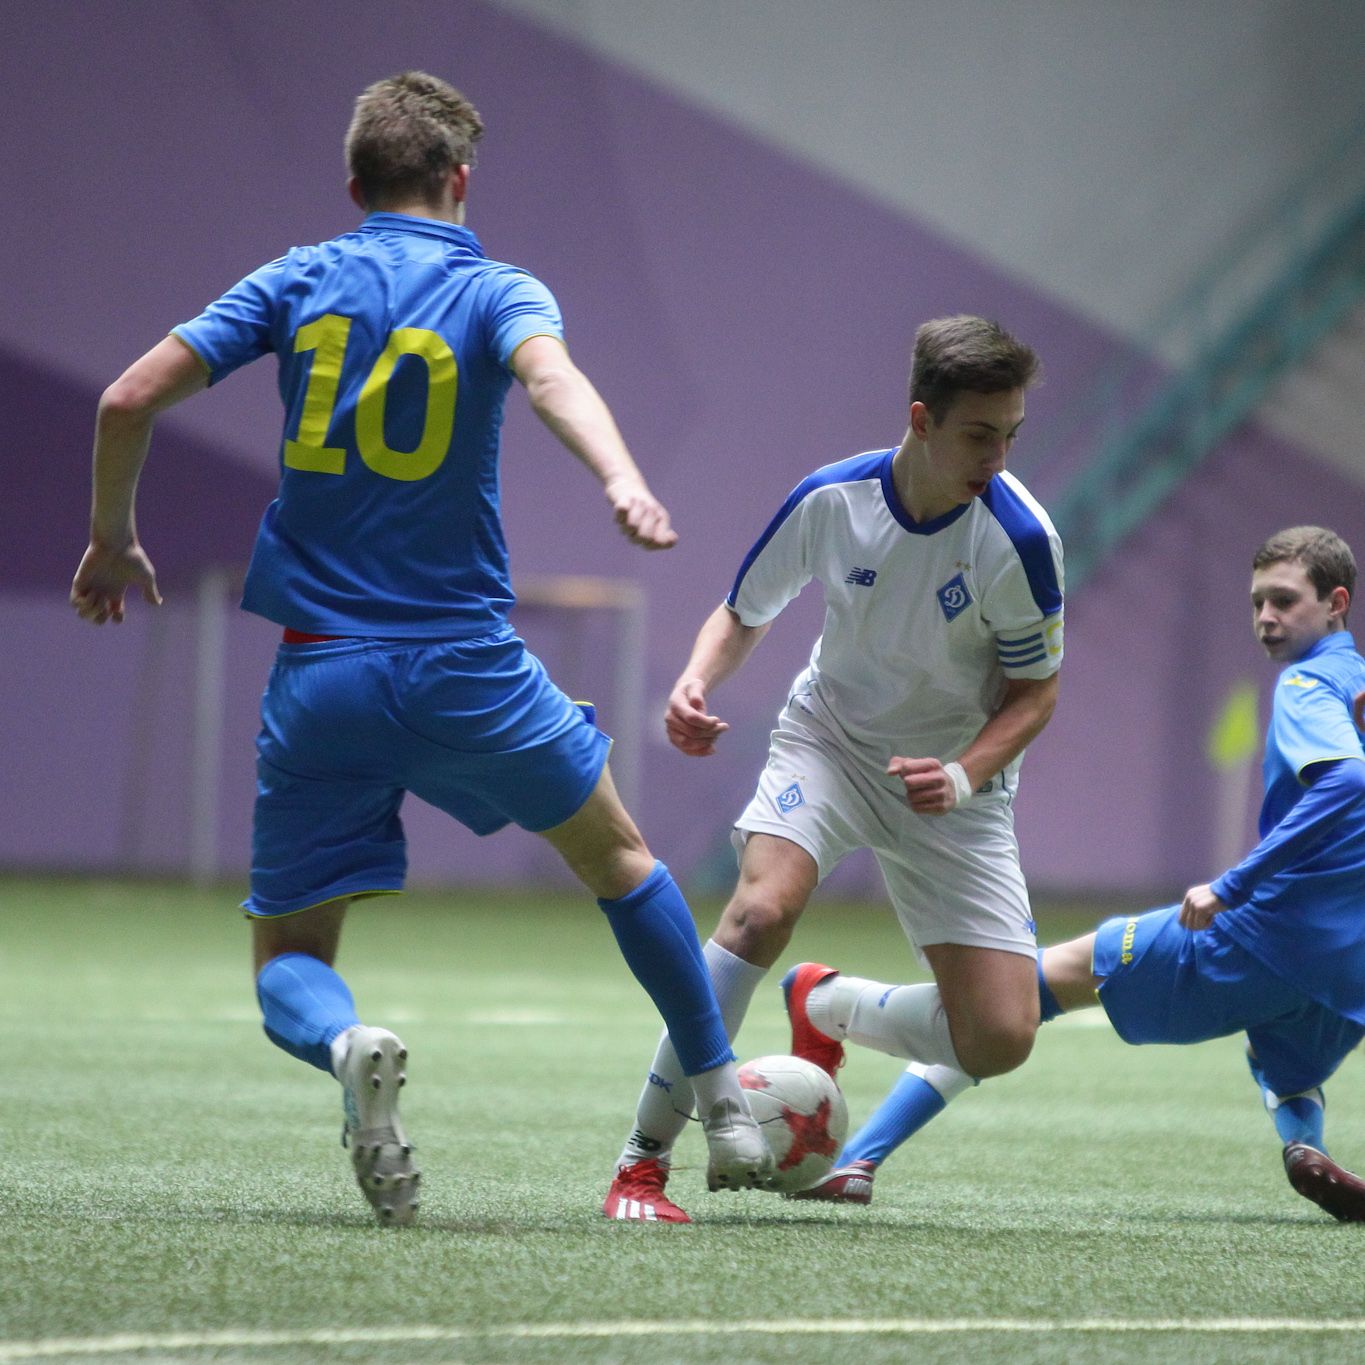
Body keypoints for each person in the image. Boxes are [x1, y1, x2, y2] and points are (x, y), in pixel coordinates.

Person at [70, 70, 772, 1226]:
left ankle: (348, 1042)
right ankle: (723, 1103)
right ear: (461, 180)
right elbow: (554, 378)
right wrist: (622, 478)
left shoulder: (298, 278)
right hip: (464, 668)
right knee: (625, 865)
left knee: (289, 954)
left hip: (321, 674)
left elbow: (124, 400)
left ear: (355, 185)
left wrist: (111, 541)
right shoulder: (498, 289)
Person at [603, 315, 1064, 1222]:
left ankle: (834, 1005)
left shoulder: (1019, 540)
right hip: (830, 742)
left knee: (1001, 1037)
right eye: (980, 434)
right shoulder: (831, 499)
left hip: (951, 785)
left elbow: (1034, 694)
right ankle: (640, 1163)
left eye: (1012, 434)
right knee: (757, 909)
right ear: (921, 418)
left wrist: (964, 774)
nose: (999, 456)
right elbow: (742, 610)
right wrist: (695, 680)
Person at [797, 525, 1365, 1223]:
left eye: (1283, 600)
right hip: (1344, 976)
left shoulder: (1306, 685)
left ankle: (831, 1035)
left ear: (1335, 603)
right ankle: (1303, 1150)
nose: (1265, 618)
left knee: (1012, 1000)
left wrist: (1231, 884)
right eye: (1256, 603)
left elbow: (1343, 784)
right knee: (1288, 1068)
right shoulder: (1354, 683)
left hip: (1261, 936)